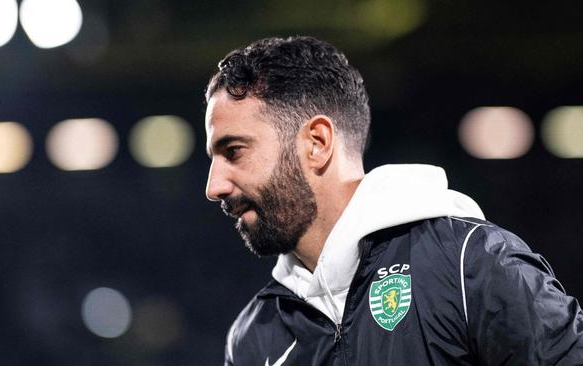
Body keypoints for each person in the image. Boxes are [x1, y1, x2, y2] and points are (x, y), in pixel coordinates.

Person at [203, 36, 583, 365]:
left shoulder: (471, 266)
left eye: (234, 151)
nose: (214, 186)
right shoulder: (252, 337)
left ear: (317, 143)